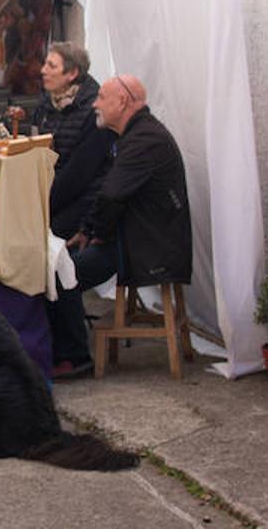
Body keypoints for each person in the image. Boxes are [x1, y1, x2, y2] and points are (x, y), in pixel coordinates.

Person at [49, 75, 192, 379]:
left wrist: (95, 233)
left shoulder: (143, 140)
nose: (95, 105)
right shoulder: (137, 135)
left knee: (61, 273)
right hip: (139, 236)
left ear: (123, 102)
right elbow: (110, 195)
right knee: (60, 262)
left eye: (102, 98)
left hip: (148, 246)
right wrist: (90, 230)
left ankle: (74, 358)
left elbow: (112, 195)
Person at [31, 43, 116, 241]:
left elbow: (78, 175)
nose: (43, 71)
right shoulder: (46, 103)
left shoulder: (93, 111)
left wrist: (42, 207)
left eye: (51, 66)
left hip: (81, 206)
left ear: (72, 73)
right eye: (45, 64)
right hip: (51, 195)